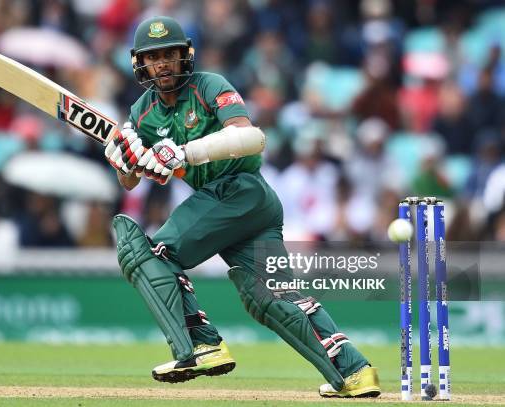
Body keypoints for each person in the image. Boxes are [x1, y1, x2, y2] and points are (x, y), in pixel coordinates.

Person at [104, 16, 380, 398]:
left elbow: (251, 137)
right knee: (274, 297)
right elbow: (131, 180)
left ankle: (203, 345)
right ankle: (356, 372)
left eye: (169, 54)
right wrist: (123, 161)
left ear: (185, 56)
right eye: (154, 57)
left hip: (240, 191)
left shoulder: (209, 86)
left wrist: (183, 152)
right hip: (237, 206)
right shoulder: (141, 112)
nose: (163, 63)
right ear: (140, 63)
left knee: (151, 256)